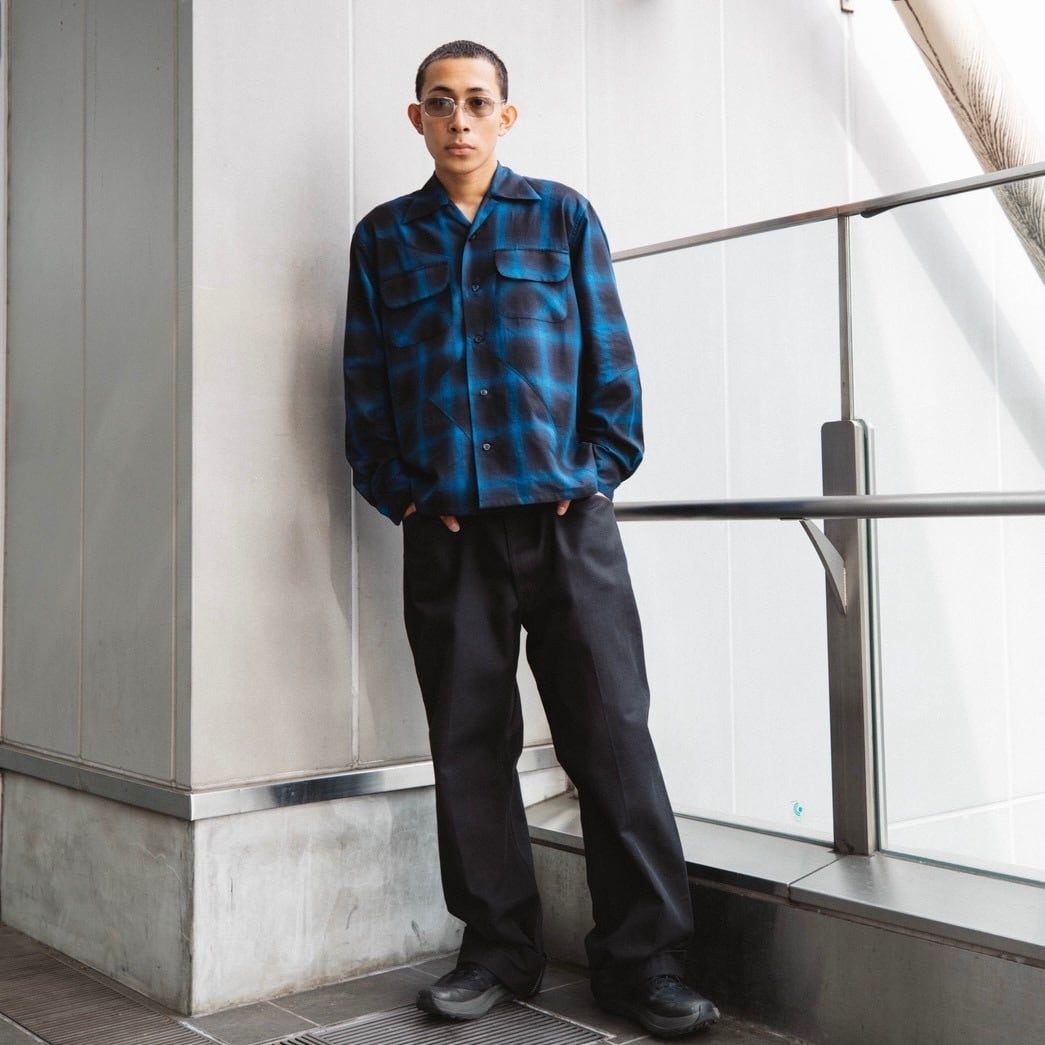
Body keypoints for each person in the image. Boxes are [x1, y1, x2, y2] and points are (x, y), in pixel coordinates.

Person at [343, 39, 719, 1040]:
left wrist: (592, 472)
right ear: (416, 119)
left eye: (477, 101)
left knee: (612, 738)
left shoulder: (561, 217)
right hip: (449, 536)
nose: (458, 118)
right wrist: (404, 497)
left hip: (566, 528)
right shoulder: (384, 239)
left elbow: (613, 370)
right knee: (469, 747)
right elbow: (364, 390)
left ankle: (644, 963)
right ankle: (498, 951)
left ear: (505, 116)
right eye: (439, 102)